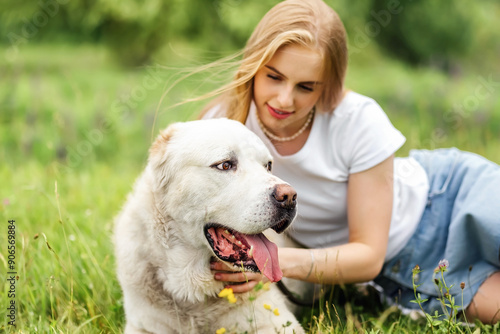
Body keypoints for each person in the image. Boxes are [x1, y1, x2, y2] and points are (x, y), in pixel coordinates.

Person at [200, 0, 500, 324]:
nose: (285, 99)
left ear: (327, 84)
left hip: (445, 199)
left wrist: (270, 263)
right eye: (274, 77)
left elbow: (368, 254)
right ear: (254, 65)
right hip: (403, 268)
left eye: (306, 87)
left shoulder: (357, 121)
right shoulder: (226, 127)